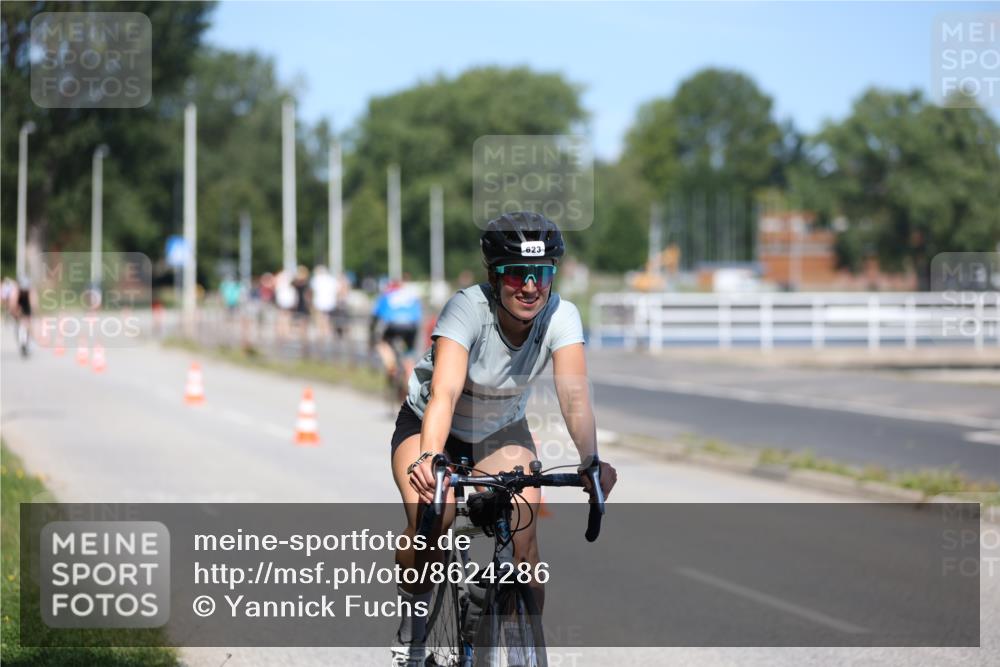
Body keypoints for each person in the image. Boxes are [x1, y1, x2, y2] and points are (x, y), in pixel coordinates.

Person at [388, 212, 618, 665]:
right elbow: (446, 392)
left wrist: (591, 460)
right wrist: (431, 458)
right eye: (517, 274)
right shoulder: (466, 309)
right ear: (495, 277)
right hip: (430, 427)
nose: (530, 286)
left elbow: (574, 398)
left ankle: (524, 650)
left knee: (525, 534)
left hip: (499, 433)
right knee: (435, 519)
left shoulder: (562, 316)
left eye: (542, 273)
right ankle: (414, 630)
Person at [370, 275, 423, 400]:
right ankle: (410, 380)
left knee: (382, 343)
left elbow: (375, 318)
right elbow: (418, 316)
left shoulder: (387, 295)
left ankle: (391, 367)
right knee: (408, 355)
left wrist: (372, 338)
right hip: (411, 326)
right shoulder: (411, 295)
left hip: (393, 325)